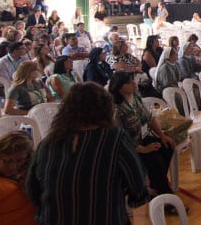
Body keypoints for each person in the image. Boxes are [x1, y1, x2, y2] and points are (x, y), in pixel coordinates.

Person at [26, 83, 149, 225]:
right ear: (105, 109)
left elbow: (33, 192)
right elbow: (138, 190)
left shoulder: (47, 143)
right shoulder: (114, 138)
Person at [109, 72, 177, 198]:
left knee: (167, 147)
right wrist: (144, 149)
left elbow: (150, 119)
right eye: (129, 82)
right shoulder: (116, 109)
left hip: (139, 140)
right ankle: (165, 196)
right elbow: (119, 138)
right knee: (155, 161)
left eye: (133, 80)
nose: (134, 83)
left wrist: (162, 136)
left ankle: (156, 186)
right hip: (126, 148)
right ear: (119, 87)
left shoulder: (135, 98)